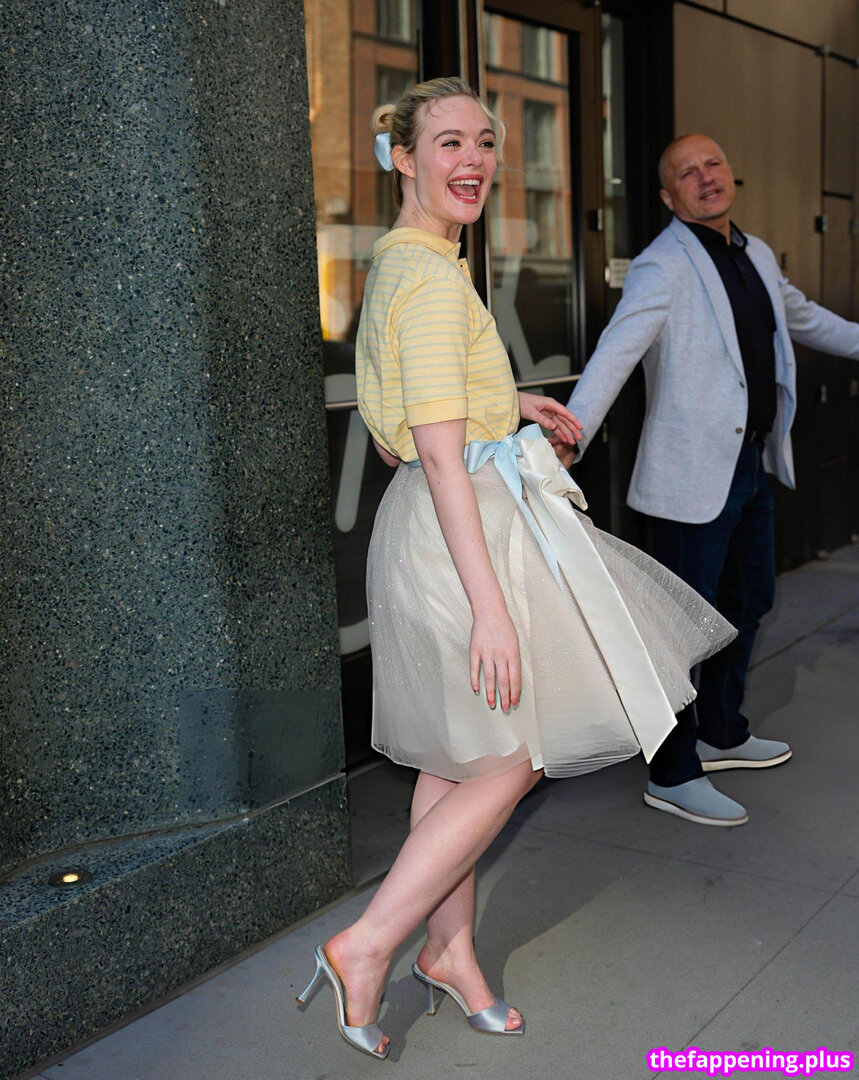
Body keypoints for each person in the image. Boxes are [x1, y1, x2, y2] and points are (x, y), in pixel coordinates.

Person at [296, 82, 735, 1061]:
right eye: (448, 141)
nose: (475, 160)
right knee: (510, 759)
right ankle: (366, 943)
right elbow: (435, 451)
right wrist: (490, 609)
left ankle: (448, 952)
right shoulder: (427, 281)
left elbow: (418, 424)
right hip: (465, 546)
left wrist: (508, 404)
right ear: (402, 158)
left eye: (486, 142)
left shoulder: (407, 262)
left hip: (438, 527)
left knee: (456, 760)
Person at [557, 133, 859, 828]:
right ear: (669, 198)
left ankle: (722, 732)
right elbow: (616, 351)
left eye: (712, 164)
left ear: (731, 173)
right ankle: (670, 771)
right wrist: (570, 432)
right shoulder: (660, 266)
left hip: (749, 465)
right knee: (678, 630)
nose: (704, 177)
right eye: (686, 173)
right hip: (689, 476)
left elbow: (804, 318)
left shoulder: (755, 253)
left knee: (748, 600)